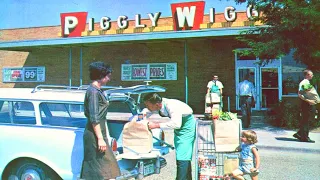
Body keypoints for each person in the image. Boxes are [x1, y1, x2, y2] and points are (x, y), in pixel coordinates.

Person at [142, 93, 196, 180]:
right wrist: (142, 116)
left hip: (186, 127)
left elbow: (176, 124)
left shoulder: (172, 106)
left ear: (156, 104)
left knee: (183, 155)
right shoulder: (160, 104)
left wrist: (156, 125)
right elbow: (147, 111)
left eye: (148, 105)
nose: (147, 107)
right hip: (179, 128)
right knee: (182, 154)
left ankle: (181, 178)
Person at [81, 61, 120, 180]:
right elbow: (94, 117)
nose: (109, 78)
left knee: (107, 170)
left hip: (99, 132)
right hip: (94, 134)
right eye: (107, 75)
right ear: (100, 76)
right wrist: (100, 139)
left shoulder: (98, 91)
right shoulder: (93, 92)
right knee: (100, 170)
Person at [293, 69, 317, 143]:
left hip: (309, 103)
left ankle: (300, 133)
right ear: (306, 75)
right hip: (306, 104)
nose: (312, 75)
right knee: (306, 120)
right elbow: (300, 94)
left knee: (308, 119)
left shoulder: (307, 82)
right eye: (311, 74)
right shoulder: (304, 82)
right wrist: (308, 101)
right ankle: (305, 137)